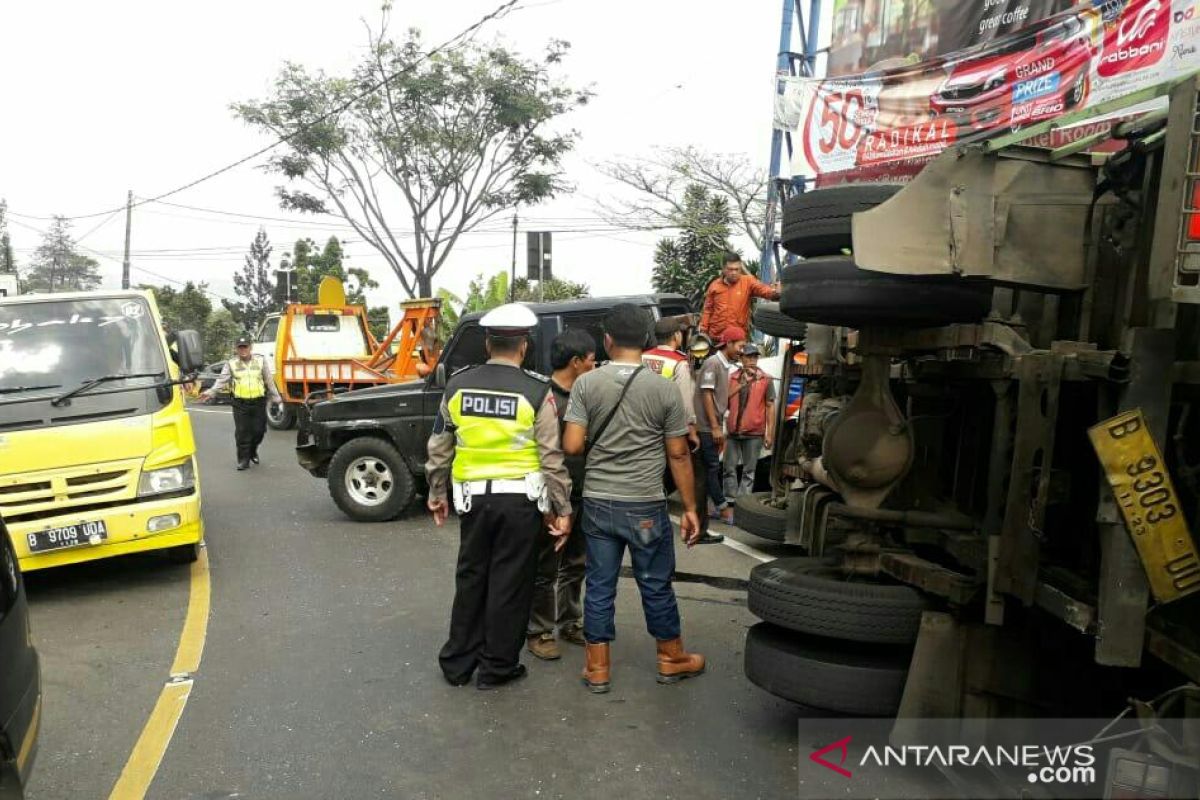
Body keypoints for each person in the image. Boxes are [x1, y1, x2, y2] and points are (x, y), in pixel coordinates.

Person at [424, 303, 573, 691]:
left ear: (488, 343)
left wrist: (437, 492)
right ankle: (496, 667)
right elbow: (551, 458)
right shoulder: (538, 390)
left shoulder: (457, 385)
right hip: (520, 503)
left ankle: (458, 664)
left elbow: (440, 445)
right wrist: (563, 509)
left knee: (471, 577)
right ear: (523, 346)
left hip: (473, 500)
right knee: (510, 582)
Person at [562, 304, 705, 694]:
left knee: (600, 584)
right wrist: (690, 509)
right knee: (655, 584)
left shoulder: (587, 384)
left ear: (607, 340)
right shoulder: (663, 388)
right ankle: (671, 658)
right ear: (645, 341)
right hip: (644, 502)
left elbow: (572, 444)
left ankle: (597, 668)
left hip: (598, 502)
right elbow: (678, 454)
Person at [527, 328, 596, 661]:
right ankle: (539, 629)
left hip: (583, 492)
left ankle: (570, 620)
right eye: (592, 361)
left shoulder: (587, 396)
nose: (595, 366)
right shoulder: (542, 396)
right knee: (546, 566)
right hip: (550, 497)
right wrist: (553, 503)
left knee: (577, 562)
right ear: (576, 362)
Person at [202, 334, 283, 470]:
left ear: (250, 347)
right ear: (236, 349)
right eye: (240, 347)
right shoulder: (231, 363)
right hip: (240, 403)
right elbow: (222, 380)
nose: (243, 350)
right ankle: (243, 460)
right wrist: (211, 392)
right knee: (242, 432)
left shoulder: (260, 361)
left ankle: (252, 450)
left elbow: (269, 380)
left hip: (258, 401)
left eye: (245, 347)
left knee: (259, 430)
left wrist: (276, 397)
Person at [694, 325, 746, 534]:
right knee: (712, 468)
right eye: (740, 346)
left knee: (709, 469)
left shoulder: (724, 366)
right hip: (707, 427)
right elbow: (707, 394)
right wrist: (715, 427)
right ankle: (723, 509)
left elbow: (720, 397)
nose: (742, 350)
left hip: (712, 426)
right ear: (729, 344)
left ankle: (709, 508)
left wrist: (743, 384)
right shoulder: (713, 363)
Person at [722, 343, 776, 500]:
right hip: (733, 432)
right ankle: (730, 500)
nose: (752, 360)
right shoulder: (732, 378)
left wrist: (769, 433)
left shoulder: (766, 379)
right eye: (749, 357)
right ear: (741, 358)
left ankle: (743, 502)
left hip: (754, 433)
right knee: (728, 469)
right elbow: (723, 402)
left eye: (755, 357)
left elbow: (770, 406)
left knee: (749, 471)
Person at [698, 253, 780, 340]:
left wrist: (776, 293)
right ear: (723, 269)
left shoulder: (748, 281)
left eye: (737, 269)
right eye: (730, 269)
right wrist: (703, 332)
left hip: (737, 339)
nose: (734, 273)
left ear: (740, 268)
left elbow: (764, 290)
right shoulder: (714, 286)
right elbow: (708, 309)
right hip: (716, 337)